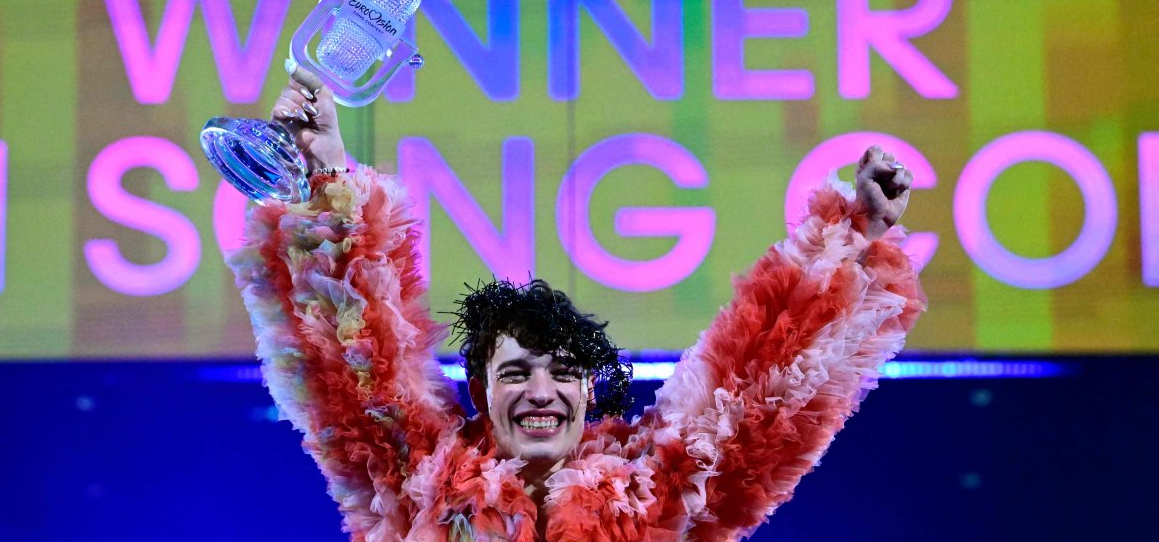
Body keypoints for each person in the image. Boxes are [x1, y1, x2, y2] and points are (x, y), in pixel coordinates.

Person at [226, 61, 925, 541]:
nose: (541, 390)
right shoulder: (419, 478)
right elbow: (358, 355)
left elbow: (752, 392)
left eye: (562, 372)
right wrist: (326, 173)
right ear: (478, 387)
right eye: (516, 370)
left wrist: (851, 230)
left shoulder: (651, 494)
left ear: (589, 390)